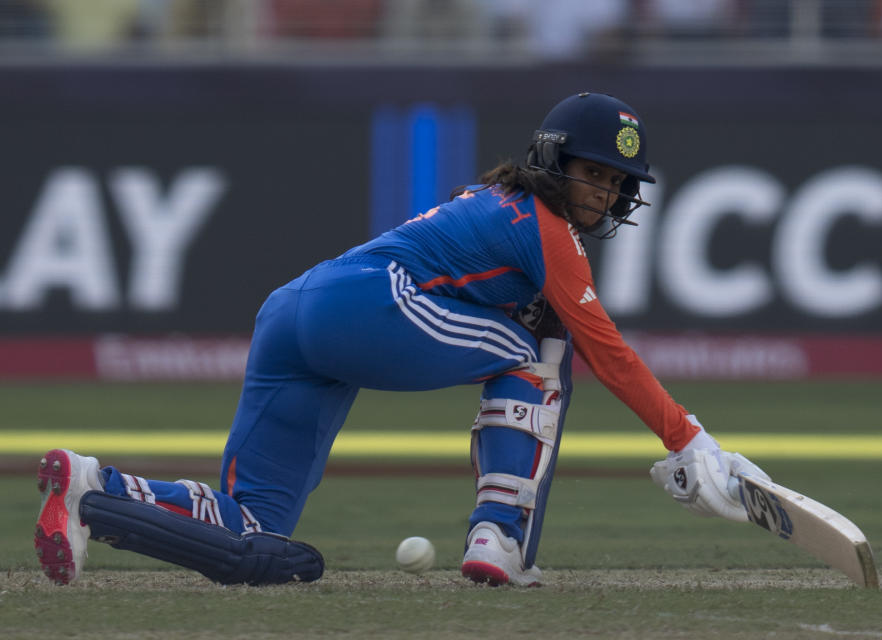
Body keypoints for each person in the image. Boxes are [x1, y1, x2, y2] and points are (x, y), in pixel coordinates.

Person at [34, 92, 769, 588]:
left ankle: (92, 490)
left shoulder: (490, 198)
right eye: (593, 175)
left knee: (251, 531)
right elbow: (610, 351)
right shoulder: (549, 233)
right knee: (538, 351)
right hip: (365, 307)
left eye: (616, 184)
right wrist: (689, 440)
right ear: (553, 161)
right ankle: (498, 539)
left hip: (292, 314)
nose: (603, 195)